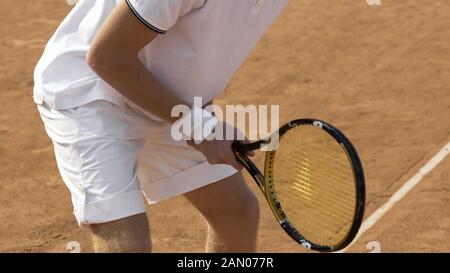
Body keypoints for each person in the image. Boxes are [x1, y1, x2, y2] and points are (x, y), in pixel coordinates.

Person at [33, 0, 288, 252]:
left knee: (237, 214)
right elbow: (107, 56)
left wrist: (204, 121)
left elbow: (203, 42)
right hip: (92, 94)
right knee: (128, 243)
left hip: (168, 97)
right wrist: (198, 127)